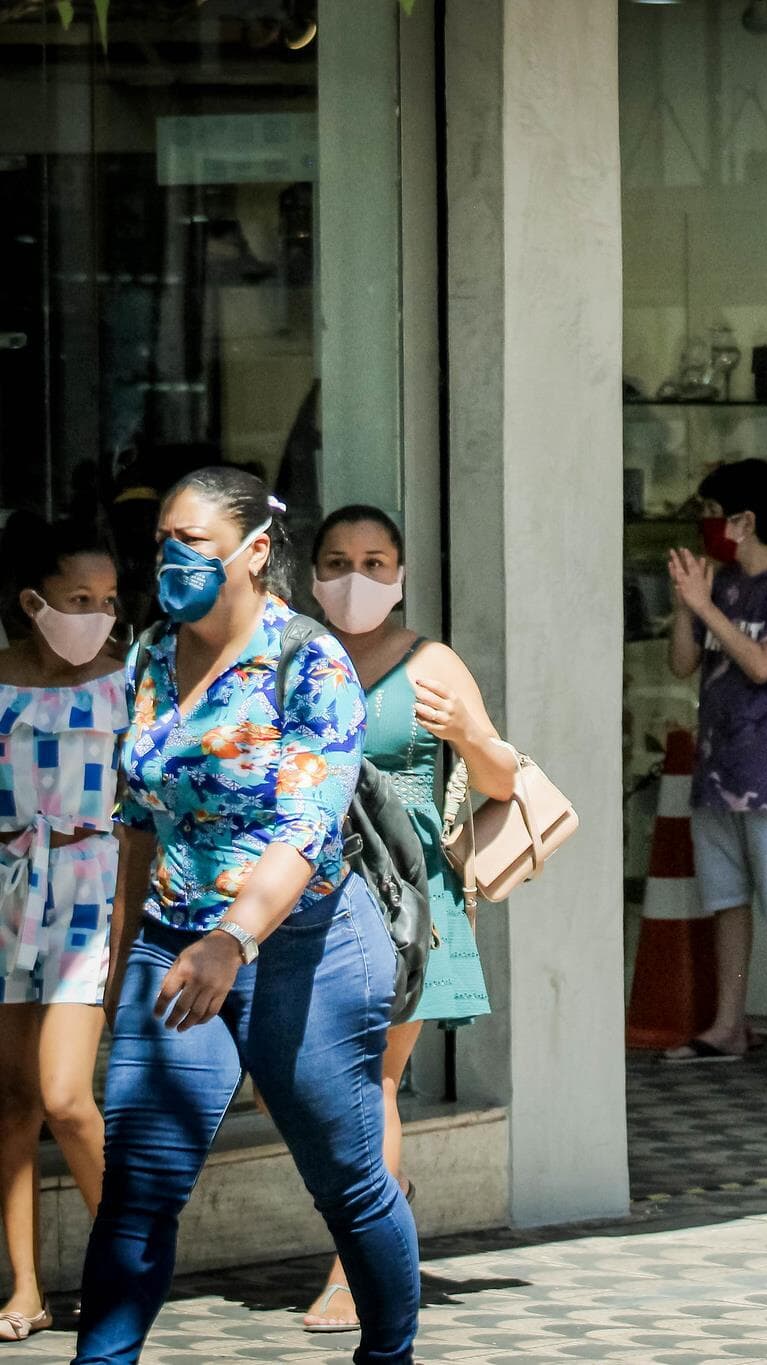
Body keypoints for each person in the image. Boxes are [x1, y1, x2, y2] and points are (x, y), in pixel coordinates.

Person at [74, 467, 418, 1365]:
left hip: (305, 949)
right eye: (164, 544)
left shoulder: (310, 660)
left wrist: (234, 937)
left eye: (194, 543)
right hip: (173, 944)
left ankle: (389, 1353)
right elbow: (140, 821)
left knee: (348, 1183)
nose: (172, 560)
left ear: (255, 551)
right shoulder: (152, 652)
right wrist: (121, 969)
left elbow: (309, 826)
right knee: (139, 1186)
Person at [299, 505, 514, 1333]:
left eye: (376, 560)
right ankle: (385, 1203)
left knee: (371, 1078)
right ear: (312, 574)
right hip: (306, 889)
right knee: (323, 1087)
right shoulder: (293, 656)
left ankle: (353, 1273)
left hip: (403, 898)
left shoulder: (432, 662)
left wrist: (465, 729)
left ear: (400, 574)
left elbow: (500, 775)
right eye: (340, 559)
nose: (357, 576)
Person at [0, 515, 127, 1345]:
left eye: (110, 598)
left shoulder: (133, 679)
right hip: (8, 888)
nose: (97, 613)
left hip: (92, 886)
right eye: (79, 598)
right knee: (10, 1102)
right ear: (33, 600)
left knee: (67, 1099)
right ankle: (25, 1287)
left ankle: (133, 1261)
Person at [662, 459, 767, 1074]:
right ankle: (728, 1021)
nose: (703, 525)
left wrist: (704, 608)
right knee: (726, 898)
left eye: (710, 512)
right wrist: (688, 605)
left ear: (745, 520)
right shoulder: (721, 584)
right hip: (717, 766)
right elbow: (682, 664)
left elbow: (762, 664)